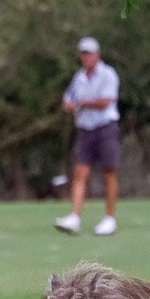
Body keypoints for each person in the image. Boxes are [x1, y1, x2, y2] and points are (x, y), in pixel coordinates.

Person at [56, 36, 121, 236]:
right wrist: (68, 104)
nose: (86, 58)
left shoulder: (108, 74)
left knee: (108, 172)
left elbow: (105, 101)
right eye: (83, 54)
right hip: (85, 129)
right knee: (80, 172)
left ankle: (109, 218)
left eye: (89, 54)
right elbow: (69, 98)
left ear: (97, 54)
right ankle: (75, 216)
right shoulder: (79, 77)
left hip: (105, 127)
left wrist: (82, 103)